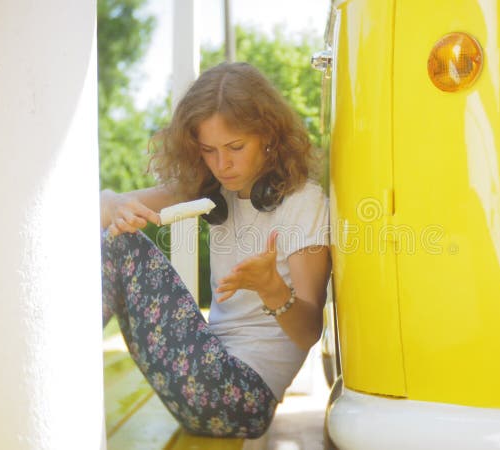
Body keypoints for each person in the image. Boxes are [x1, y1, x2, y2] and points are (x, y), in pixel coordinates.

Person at [99, 62, 331, 438]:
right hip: (206, 378)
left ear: (268, 135)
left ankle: (52, 366)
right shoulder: (214, 191)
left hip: (242, 394)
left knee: (121, 243)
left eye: (236, 147)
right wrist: (115, 205)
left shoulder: (302, 201)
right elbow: (99, 207)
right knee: (117, 230)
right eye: (209, 150)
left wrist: (272, 288)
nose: (223, 164)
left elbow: (309, 332)